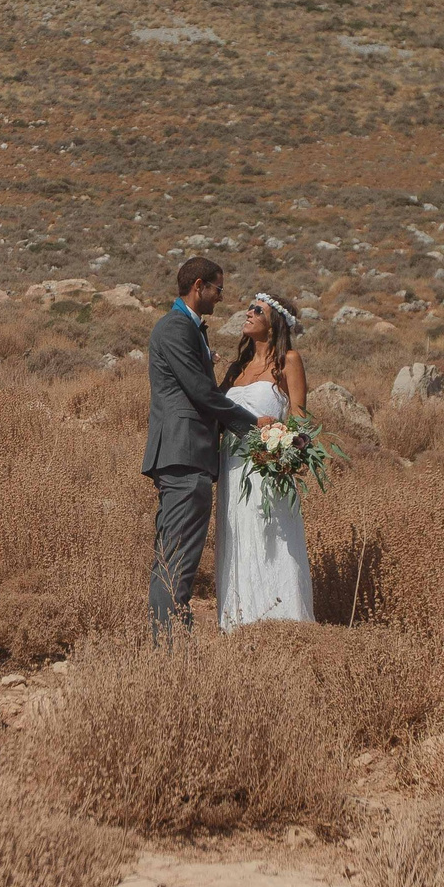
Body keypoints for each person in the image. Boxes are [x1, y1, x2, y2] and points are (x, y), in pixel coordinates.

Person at [143, 256, 260, 642]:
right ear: (198, 286)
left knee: (172, 556)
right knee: (177, 559)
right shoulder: (176, 327)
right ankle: (169, 651)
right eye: (218, 289)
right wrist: (250, 425)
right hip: (185, 453)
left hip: (183, 454)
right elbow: (199, 391)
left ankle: (166, 645)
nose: (220, 297)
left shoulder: (187, 328)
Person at [213, 287, 315, 629]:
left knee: (271, 539)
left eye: (257, 310)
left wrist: (285, 450)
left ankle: (283, 624)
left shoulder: (289, 361)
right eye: (249, 307)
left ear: (273, 324)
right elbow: (217, 410)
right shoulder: (236, 368)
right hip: (232, 468)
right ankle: (239, 625)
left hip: (267, 469)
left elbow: (300, 418)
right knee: (238, 538)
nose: (249, 312)